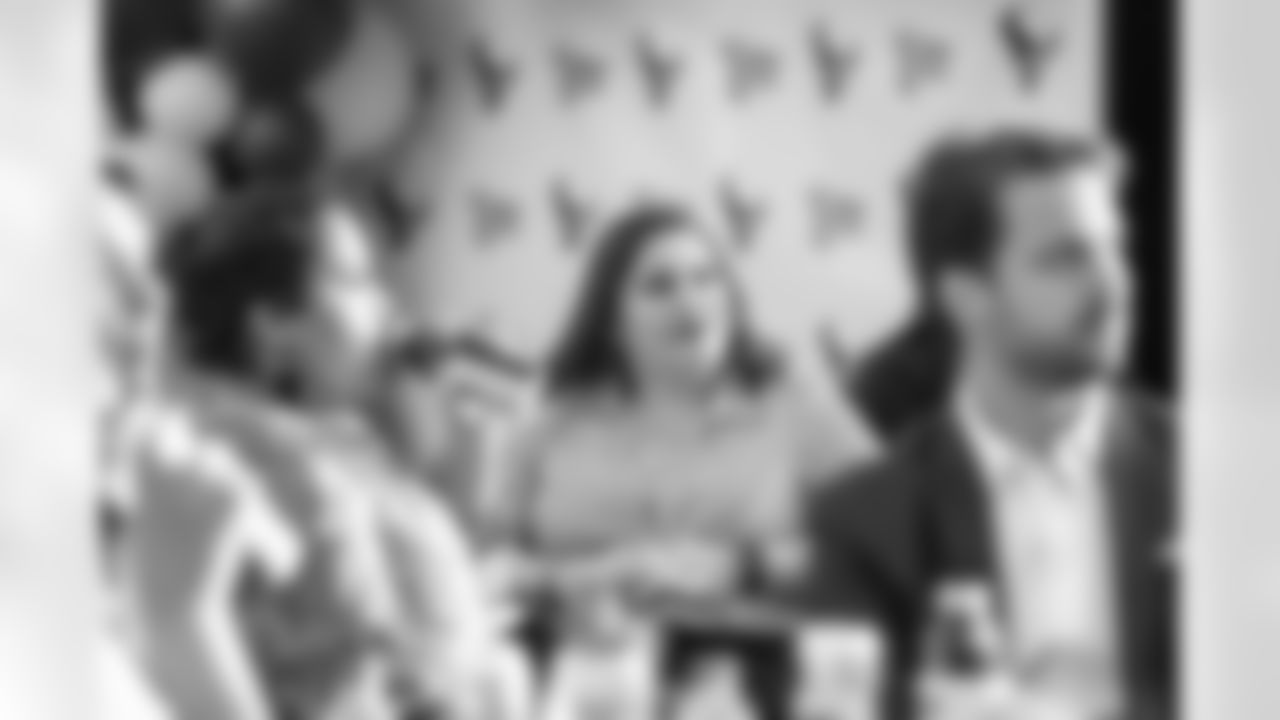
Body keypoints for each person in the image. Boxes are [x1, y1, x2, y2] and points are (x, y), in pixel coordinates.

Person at [803, 128, 1177, 720]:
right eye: (1065, 259)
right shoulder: (866, 523)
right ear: (965, 296)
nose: (1114, 285)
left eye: (1115, 250)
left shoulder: (1220, 477)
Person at [125, 188, 524, 720]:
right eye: (356, 281)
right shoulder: (278, 460)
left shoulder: (331, 439)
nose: (388, 307)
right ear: (273, 321)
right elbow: (347, 678)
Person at [483, 202, 878, 716]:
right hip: (576, 678)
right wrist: (583, 578)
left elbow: (883, 547)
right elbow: (488, 563)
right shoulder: (551, 413)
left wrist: (744, 567)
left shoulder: (792, 402)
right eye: (660, 286)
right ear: (610, 319)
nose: (691, 302)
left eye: (707, 279)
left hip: (751, 680)